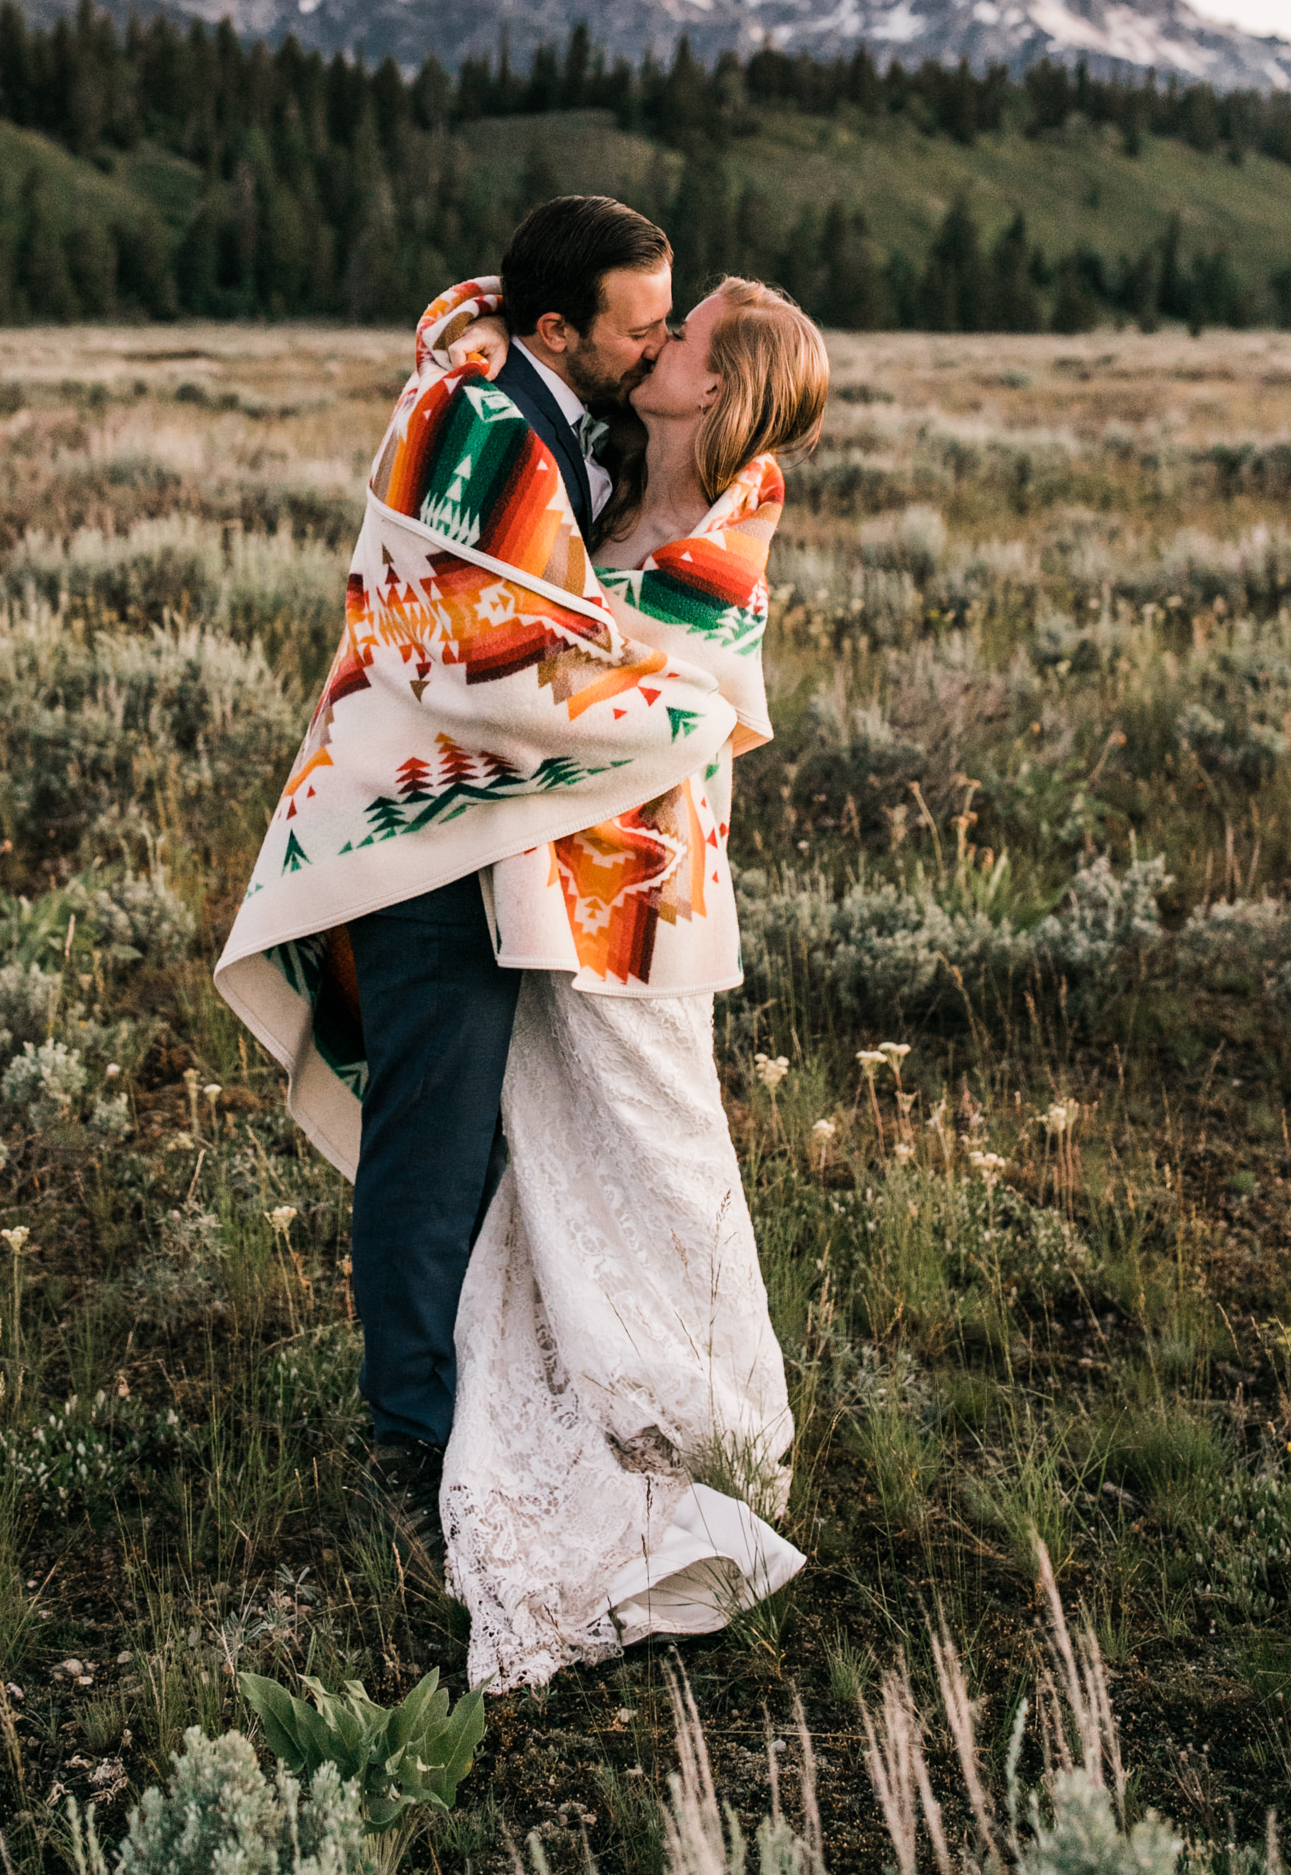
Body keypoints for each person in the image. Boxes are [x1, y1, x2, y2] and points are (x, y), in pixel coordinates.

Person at [214, 198, 737, 1566]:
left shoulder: (556, 411)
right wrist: (691, 705)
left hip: (481, 839)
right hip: (423, 843)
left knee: (484, 1142)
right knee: (434, 1150)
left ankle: (485, 1393)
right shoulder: (475, 422)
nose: (662, 341)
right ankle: (412, 1437)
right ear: (558, 327)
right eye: (641, 327)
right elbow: (474, 640)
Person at [430, 271, 830, 1689]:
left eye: (682, 336)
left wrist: (531, 652)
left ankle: (709, 1427)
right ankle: (605, 1389)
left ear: (712, 389)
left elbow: (649, 682)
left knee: (663, 1148)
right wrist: (505, 293)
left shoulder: (730, 526)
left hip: (648, 906)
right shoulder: (595, 472)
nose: (652, 345)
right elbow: (455, 349)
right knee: (554, 1153)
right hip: (545, 891)